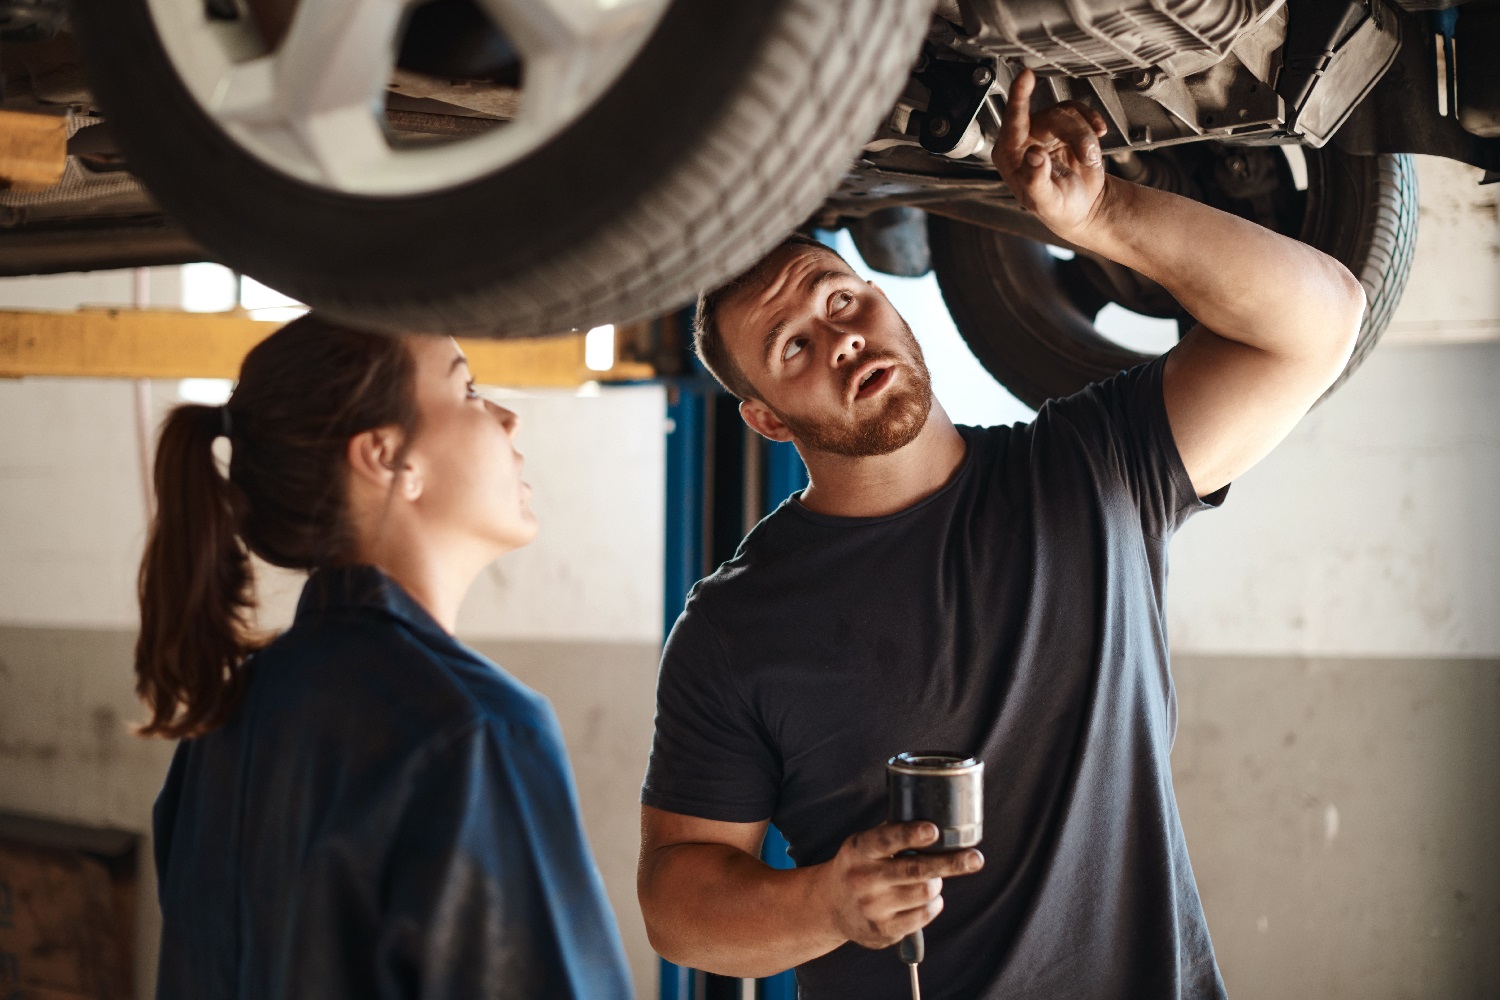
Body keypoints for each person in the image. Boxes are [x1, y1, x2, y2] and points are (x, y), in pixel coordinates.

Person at [636, 68, 1367, 998]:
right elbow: (677, 898)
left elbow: (1320, 320)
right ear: (768, 419)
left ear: (888, 300)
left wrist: (1102, 216)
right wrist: (824, 906)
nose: (841, 340)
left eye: (841, 301)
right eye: (793, 348)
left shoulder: (1092, 469)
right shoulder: (734, 628)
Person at [136, 314, 633, 999]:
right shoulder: (475, 732)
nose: (507, 419)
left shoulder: (222, 730)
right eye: (468, 392)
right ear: (385, 456)